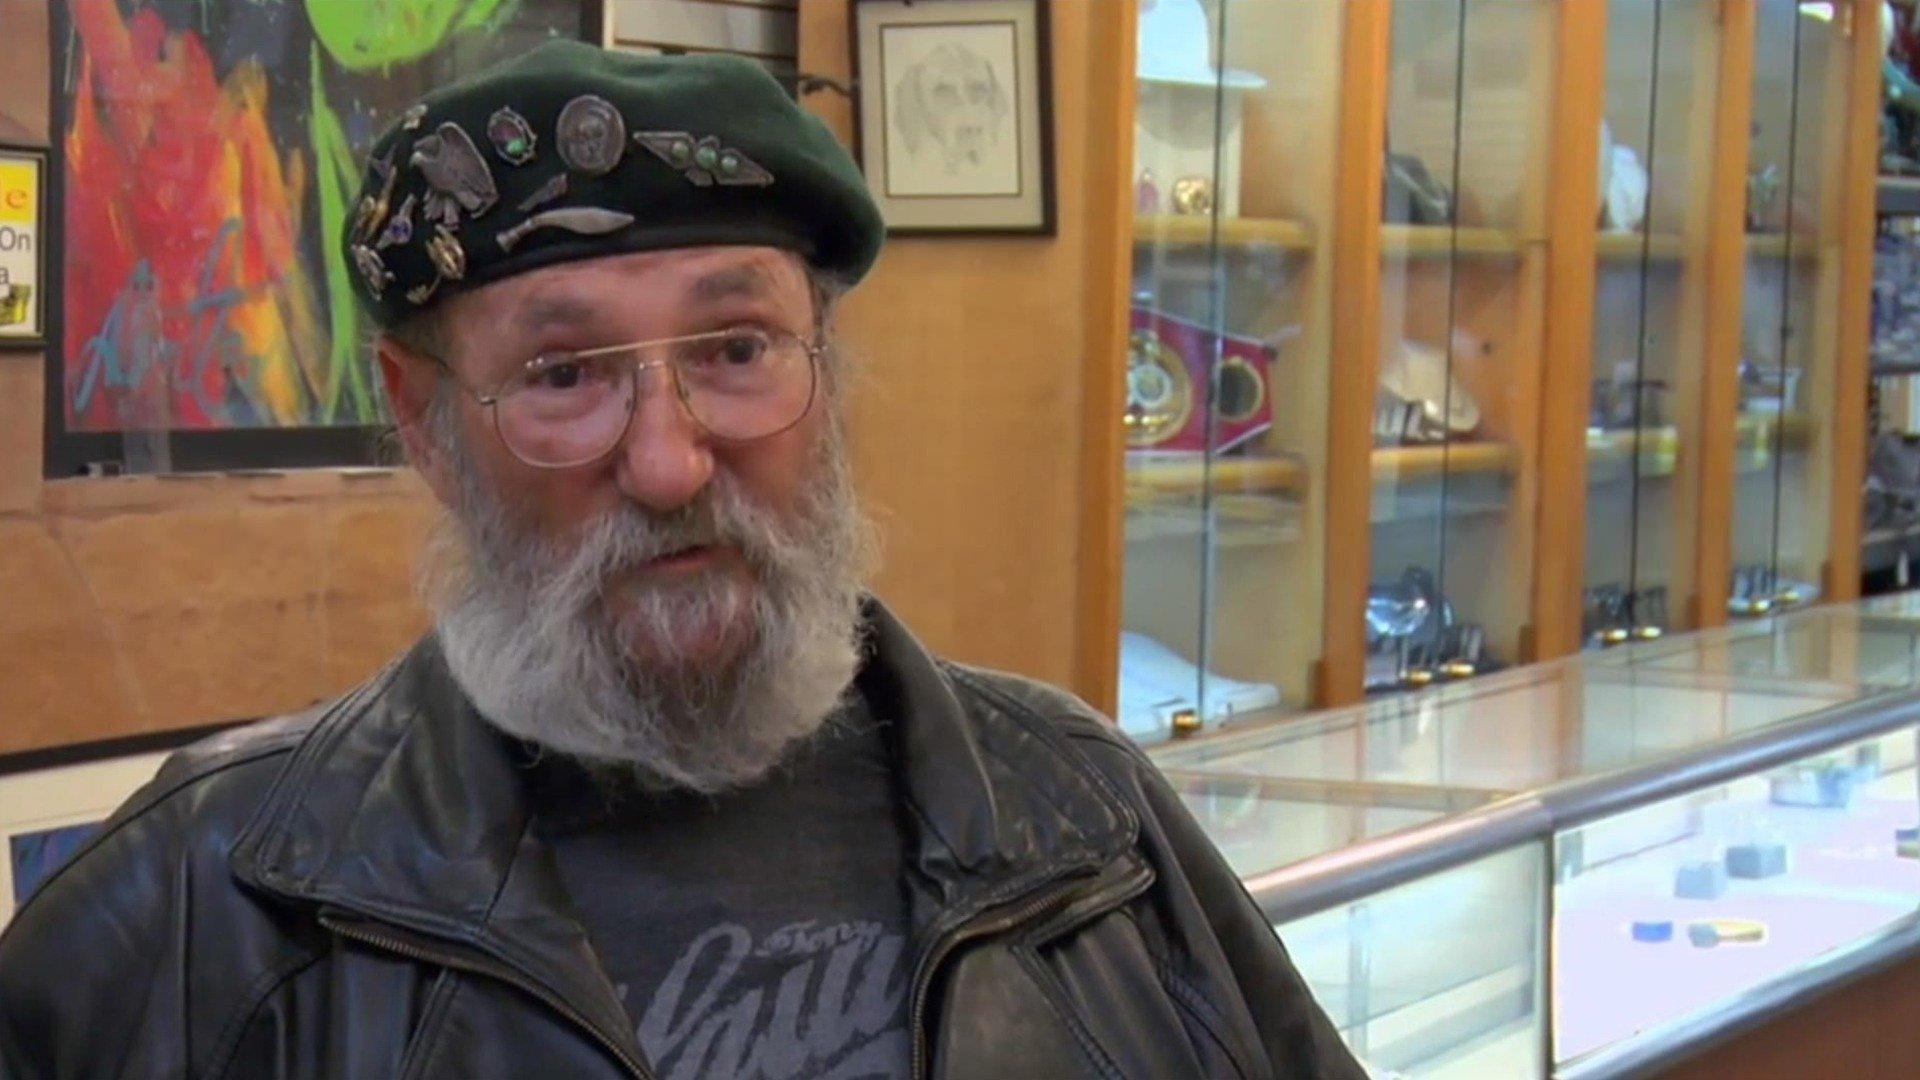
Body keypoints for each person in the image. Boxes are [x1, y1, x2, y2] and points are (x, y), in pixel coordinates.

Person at [0, 42, 1361, 1079]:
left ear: (827, 371)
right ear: (425, 424)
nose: (667, 462)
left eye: (737, 350)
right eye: (564, 374)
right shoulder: (206, 901)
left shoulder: (1089, 823)